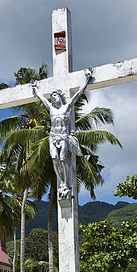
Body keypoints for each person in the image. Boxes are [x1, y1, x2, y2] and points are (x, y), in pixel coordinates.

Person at [32, 68, 93, 198]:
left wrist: (86, 79)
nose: (55, 99)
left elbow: (78, 94)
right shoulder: (51, 109)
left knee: (62, 159)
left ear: (60, 97)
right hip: (53, 137)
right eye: (53, 97)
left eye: (57, 96)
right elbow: (42, 99)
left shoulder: (67, 107)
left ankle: (65, 183)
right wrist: (35, 88)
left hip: (64, 137)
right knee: (54, 159)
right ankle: (61, 182)